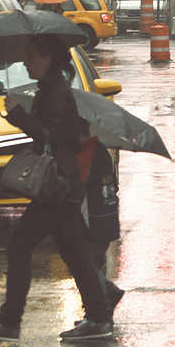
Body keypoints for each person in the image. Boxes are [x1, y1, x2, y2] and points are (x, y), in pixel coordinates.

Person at [0, 34, 112, 342]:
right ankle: (101, 313)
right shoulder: (50, 89)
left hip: (57, 184)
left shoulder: (57, 92)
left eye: (32, 56)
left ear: (48, 58)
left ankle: (9, 321)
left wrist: (20, 115)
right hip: (64, 182)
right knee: (74, 253)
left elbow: (54, 139)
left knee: (19, 247)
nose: (25, 61)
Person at [77, 125, 124, 316]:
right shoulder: (98, 150)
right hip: (103, 219)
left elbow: (80, 181)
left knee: (86, 263)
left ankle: (101, 305)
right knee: (90, 263)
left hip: (93, 220)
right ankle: (96, 310)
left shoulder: (88, 151)